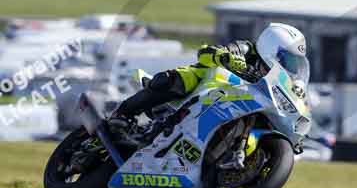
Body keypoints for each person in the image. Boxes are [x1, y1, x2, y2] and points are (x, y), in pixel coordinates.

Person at [114, 22, 309, 121]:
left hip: (236, 107)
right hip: (207, 90)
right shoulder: (246, 49)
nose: (289, 67)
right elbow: (207, 53)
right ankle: (121, 115)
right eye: (286, 59)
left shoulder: (276, 83)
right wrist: (224, 56)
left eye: (294, 64)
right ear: (271, 48)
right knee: (179, 79)